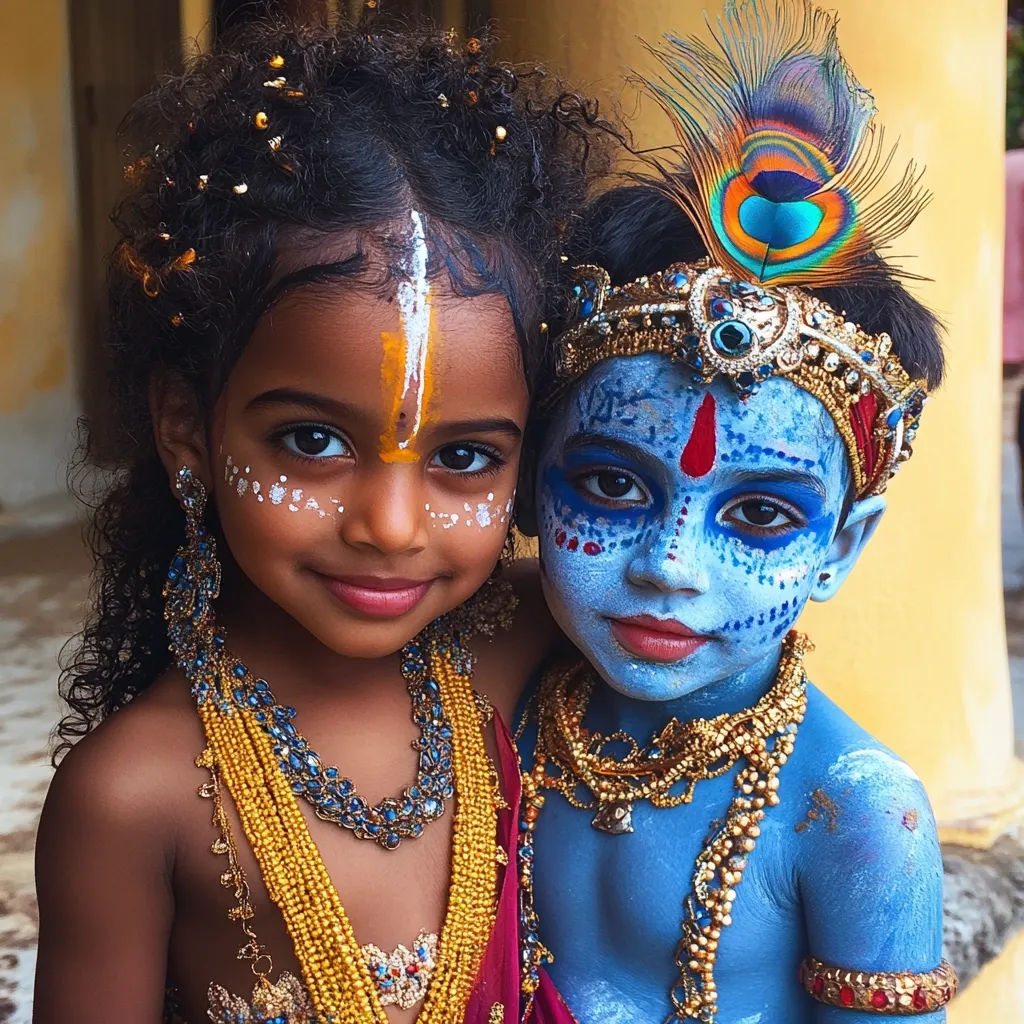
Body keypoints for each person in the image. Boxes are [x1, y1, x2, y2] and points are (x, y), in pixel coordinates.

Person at [34, 15, 610, 1024]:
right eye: (311, 442)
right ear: (186, 425)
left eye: (464, 457)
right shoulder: (134, 794)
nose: (390, 525)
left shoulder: (531, 634)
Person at [514, 1, 957, 1021]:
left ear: (839, 549)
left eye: (758, 516)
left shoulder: (855, 816)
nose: (668, 563)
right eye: (613, 486)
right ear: (535, 481)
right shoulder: (494, 707)